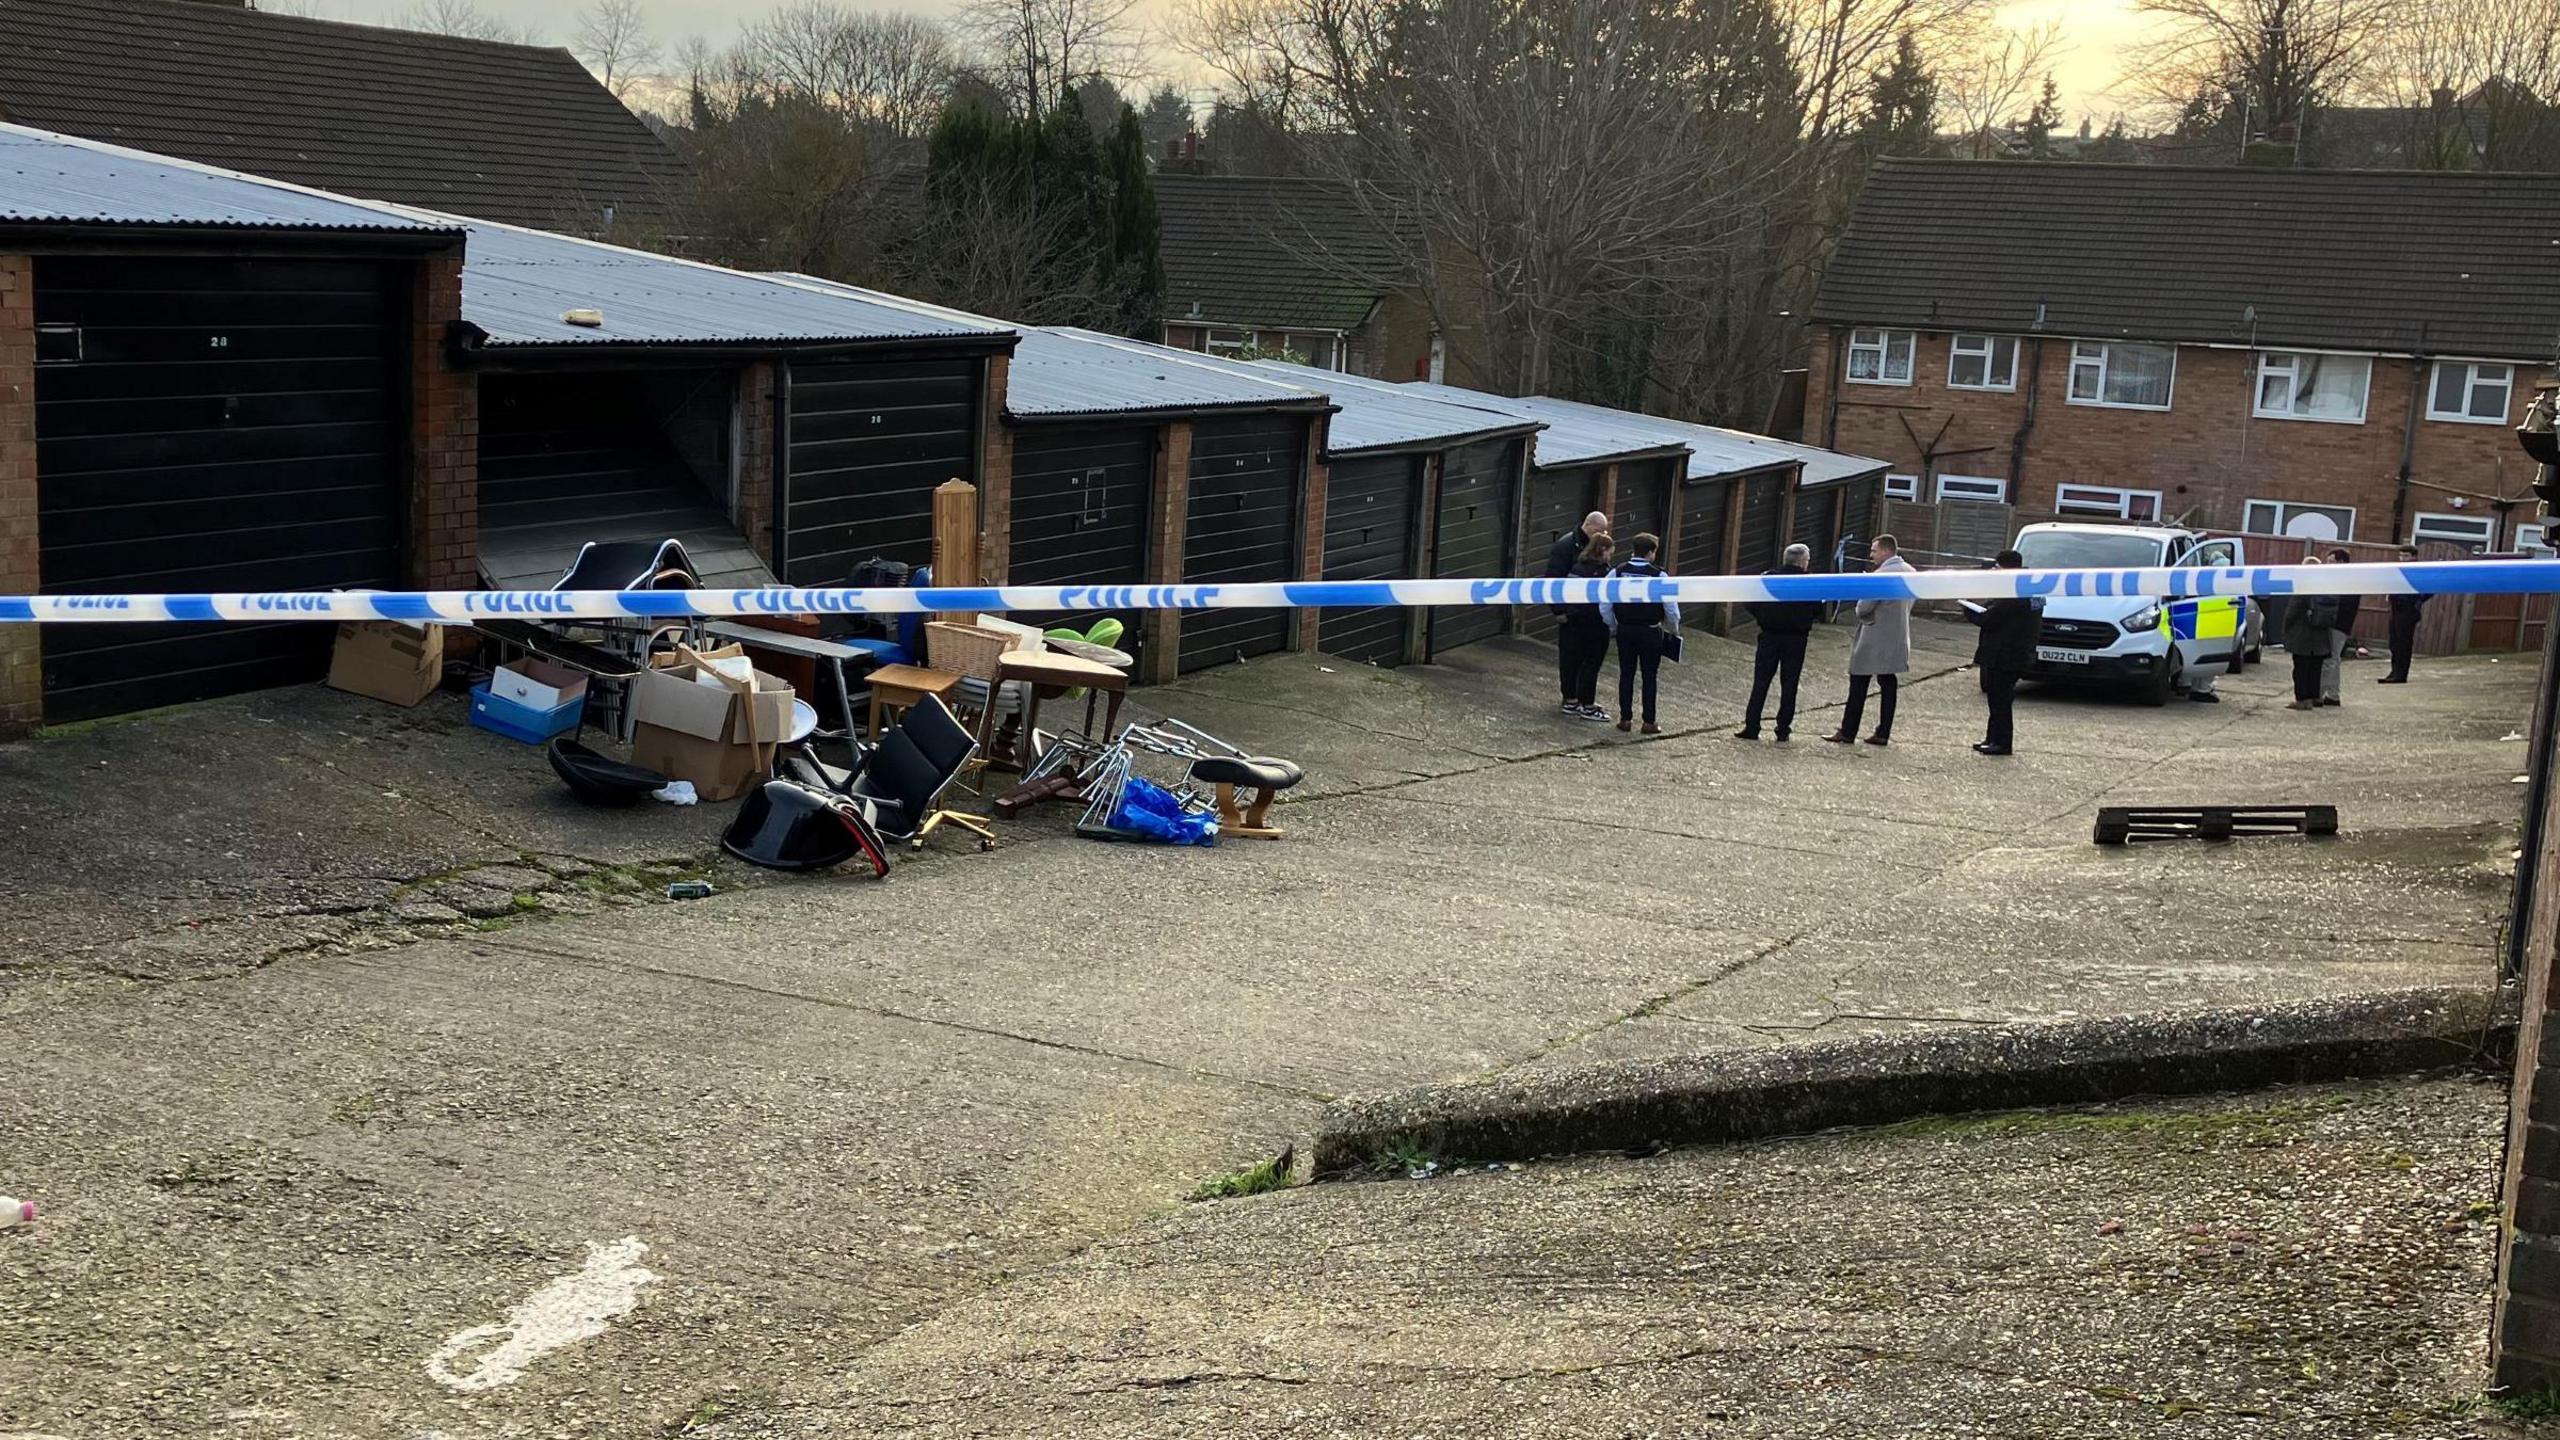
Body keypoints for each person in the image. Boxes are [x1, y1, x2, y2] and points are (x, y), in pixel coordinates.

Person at [1826, 534, 1914, 747]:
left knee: (1858, 682)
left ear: (1885, 551)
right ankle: (1883, 731)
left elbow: (1863, 608)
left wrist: (1865, 612)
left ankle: (1848, 731)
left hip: (1873, 635)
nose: (1871, 554)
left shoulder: (1880, 576)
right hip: (1898, 634)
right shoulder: (1910, 572)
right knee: (1888, 683)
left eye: (1874, 551)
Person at [1735, 543, 1820, 742]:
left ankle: (1752, 726)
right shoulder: (1811, 582)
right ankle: (1783, 729)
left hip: (1769, 636)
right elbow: (1817, 609)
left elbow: (1750, 602)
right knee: (1789, 684)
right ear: (1802, 562)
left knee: (1761, 682)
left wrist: (1764, 616)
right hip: (1796, 639)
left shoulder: (1769, 578)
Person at [1601, 532, 1679, 735]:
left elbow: (1604, 604)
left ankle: (1625, 719)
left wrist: (1613, 626)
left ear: (1633, 550)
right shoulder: (1659, 575)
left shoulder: (1617, 572)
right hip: (1650, 631)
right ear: (1651, 552)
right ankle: (1649, 722)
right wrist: (1673, 629)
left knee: (1626, 673)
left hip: (1625, 630)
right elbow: (1671, 608)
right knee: (1649, 676)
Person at [1967, 550, 2040, 757]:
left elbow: (1989, 619)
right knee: (1998, 698)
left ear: (2006, 567)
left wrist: (1967, 609)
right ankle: (1993, 738)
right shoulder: (2030, 589)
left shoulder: (2013, 592)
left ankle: (2001, 742)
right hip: (2015, 652)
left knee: (2000, 699)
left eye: (1997, 567)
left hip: (2005, 654)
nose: (1994, 571)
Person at [1545, 510, 1611, 715]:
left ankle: (1581, 698)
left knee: (1584, 659)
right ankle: (1570, 698)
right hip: (1572, 615)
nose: (1603, 534)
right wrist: (1559, 611)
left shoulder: (1590, 549)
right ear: (1589, 526)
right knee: (1570, 658)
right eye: (1600, 531)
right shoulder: (1566, 547)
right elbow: (1553, 580)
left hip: (1587, 616)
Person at [1558, 533, 1615, 721]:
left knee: (1572, 662)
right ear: (1602, 550)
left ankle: (1571, 701)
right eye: (1609, 553)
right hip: (1595, 623)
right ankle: (1588, 706)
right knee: (1592, 664)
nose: (1610, 557)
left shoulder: (1577, 567)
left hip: (1574, 621)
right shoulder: (1603, 573)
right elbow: (1608, 600)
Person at [2284, 586, 2342, 710]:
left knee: (2301, 668)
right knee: (2315, 668)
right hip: (2321, 635)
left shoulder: (2302, 591)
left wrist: (2286, 629)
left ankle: (2302, 700)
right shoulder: (2326, 591)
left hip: (2302, 634)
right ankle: (2315, 697)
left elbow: (2291, 612)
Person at [2380, 545, 2427, 684]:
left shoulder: (2418, 571)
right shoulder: (2399, 569)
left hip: (2408, 608)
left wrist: (2417, 599)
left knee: (2403, 643)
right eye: (2401, 556)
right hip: (2396, 607)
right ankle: (2394, 672)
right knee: (2394, 642)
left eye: (2405, 556)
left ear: (2414, 557)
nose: (2402, 559)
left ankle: (2401, 674)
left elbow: (2428, 589)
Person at [2321, 546, 2357, 706]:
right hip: (2342, 624)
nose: (2327, 565)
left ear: (2341, 562)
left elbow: (2339, 603)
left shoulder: (2344, 581)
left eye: (2331, 561)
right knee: (2333, 658)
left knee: (2330, 659)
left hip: (2337, 624)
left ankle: (2322, 693)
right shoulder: (2350, 579)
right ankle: (2333, 694)